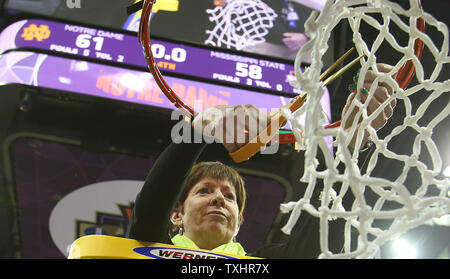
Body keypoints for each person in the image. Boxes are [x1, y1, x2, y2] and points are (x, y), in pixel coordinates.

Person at [126, 64, 396, 258]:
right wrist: (198, 129)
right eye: (204, 190)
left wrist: (351, 145)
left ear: (238, 223)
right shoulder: (148, 247)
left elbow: (323, 237)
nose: (219, 199)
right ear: (176, 216)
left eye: (229, 197)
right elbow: (152, 205)